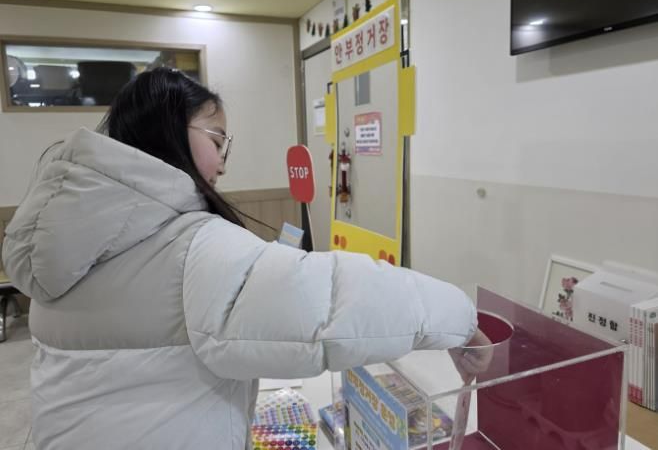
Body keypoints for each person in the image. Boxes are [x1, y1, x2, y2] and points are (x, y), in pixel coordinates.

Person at [2, 68, 489, 449]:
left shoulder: (68, 242)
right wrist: (461, 320)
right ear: (167, 130)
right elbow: (329, 303)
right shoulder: (190, 247)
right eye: (217, 140)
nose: (223, 162)